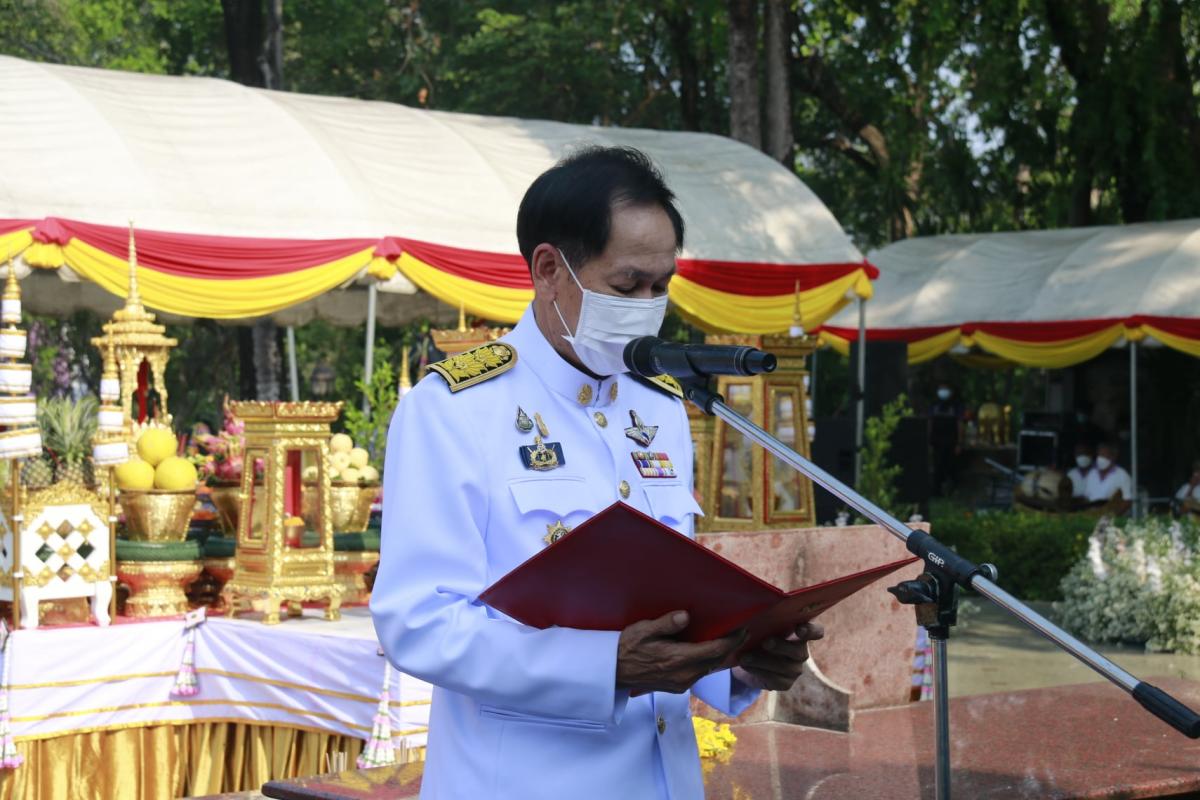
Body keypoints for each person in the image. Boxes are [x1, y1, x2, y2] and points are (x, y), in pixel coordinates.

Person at [371, 146, 823, 799]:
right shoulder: (457, 410)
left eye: (662, 285)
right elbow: (419, 622)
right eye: (626, 285)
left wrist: (741, 658)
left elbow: (673, 604)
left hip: (660, 777)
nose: (648, 303)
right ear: (550, 270)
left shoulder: (661, 407)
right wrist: (601, 665)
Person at [929, 382, 963, 496]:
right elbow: (930, 423)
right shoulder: (934, 405)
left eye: (945, 389)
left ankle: (954, 491)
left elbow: (959, 425)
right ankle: (937, 492)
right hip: (937, 443)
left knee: (952, 468)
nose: (943, 391)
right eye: (941, 388)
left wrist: (959, 443)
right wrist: (929, 440)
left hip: (951, 443)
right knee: (937, 468)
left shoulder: (955, 406)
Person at [1083, 442, 1133, 507]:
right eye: (1099, 455)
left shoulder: (1122, 475)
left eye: (1103, 455)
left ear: (1113, 457)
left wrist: (1112, 514)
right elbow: (1086, 497)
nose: (1100, 458)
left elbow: (1127, 500)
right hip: (1091, 513)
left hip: (1111, 514)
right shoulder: (1091, 473)